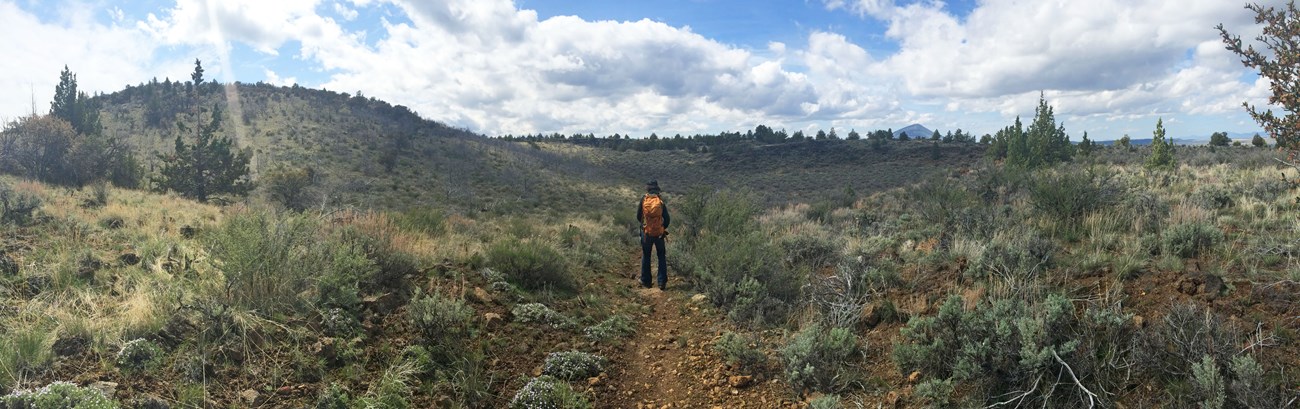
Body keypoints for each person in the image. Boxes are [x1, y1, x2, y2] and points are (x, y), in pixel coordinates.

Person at [637, 180, 670, 290]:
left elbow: (638, 216)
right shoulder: (660, 201)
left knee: (646, 255)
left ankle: (646, 281)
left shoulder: (644, 199)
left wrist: (646, 225)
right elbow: (667, 218)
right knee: (661, 256)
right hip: (659, 234)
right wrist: (662, 228)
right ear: (657, 189)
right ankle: (661, 282)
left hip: (647, 233)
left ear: (648, 188)